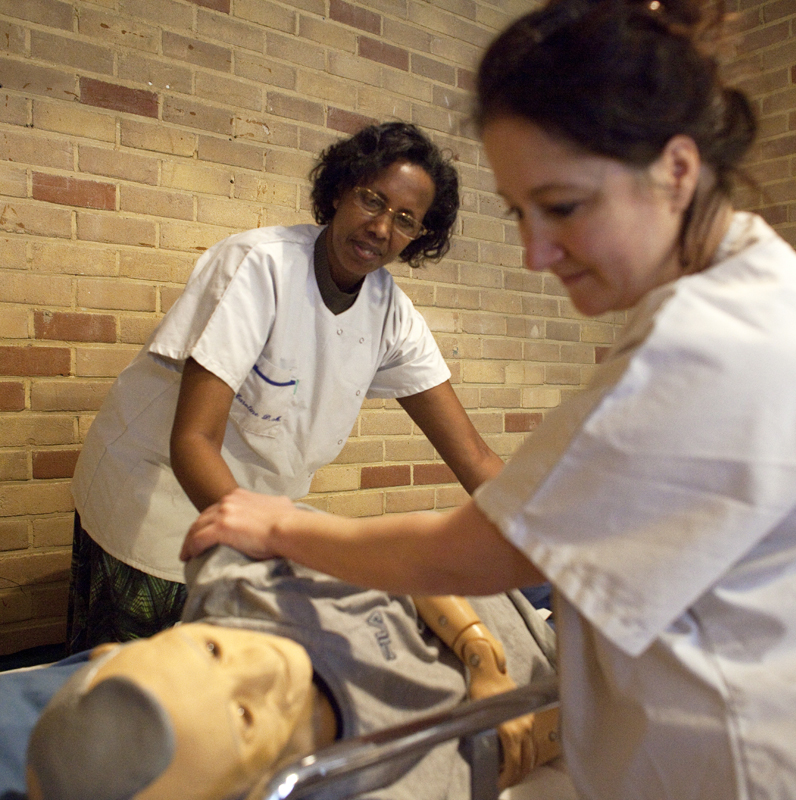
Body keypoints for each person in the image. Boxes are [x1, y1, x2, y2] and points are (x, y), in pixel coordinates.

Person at [180, 0, 796, 797]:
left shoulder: (707, 342)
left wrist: (288, 526)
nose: (536, 252)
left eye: (564, 207)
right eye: (519, 212)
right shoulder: (761, 286)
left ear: (677, 170)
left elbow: (478, 544)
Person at [67, 121, 503, 653]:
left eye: (406, 220)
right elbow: (194, 441)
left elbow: (475, 456)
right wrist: (273, 542)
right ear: (341, 190)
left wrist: (558, 545)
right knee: (125, 689)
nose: (381, 228)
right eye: (373, 200)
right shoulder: (259, 266)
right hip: (153, 500)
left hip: (253, 520)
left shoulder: (393, 315)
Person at [23, 545, 560, 800]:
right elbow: (534, 739)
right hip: (558, 647)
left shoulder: (243, 593)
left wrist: (482, 659)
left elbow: (409, 562)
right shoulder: (387, 781)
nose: (263, 664)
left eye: (212, 651)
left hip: (497, 575)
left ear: (110, 650)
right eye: (243, 715)